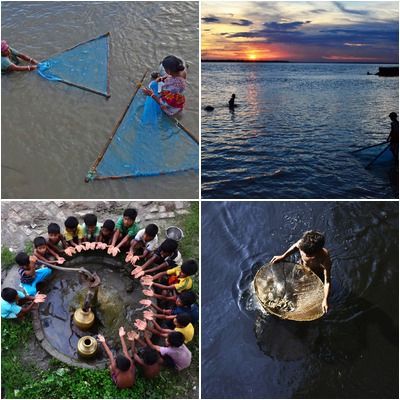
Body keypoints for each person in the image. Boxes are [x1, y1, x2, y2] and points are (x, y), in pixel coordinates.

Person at [270, 230, 331, 313]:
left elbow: (327, 281)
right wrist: (283, 256)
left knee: (303, 295)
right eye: (304, 252)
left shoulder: (324, 257)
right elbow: (295, 247)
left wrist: (325, 299)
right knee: (291, 287)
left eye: (309, 255)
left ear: (317, 252)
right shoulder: (302, 244)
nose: (305, 255)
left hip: (315, 275)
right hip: (301, 268)